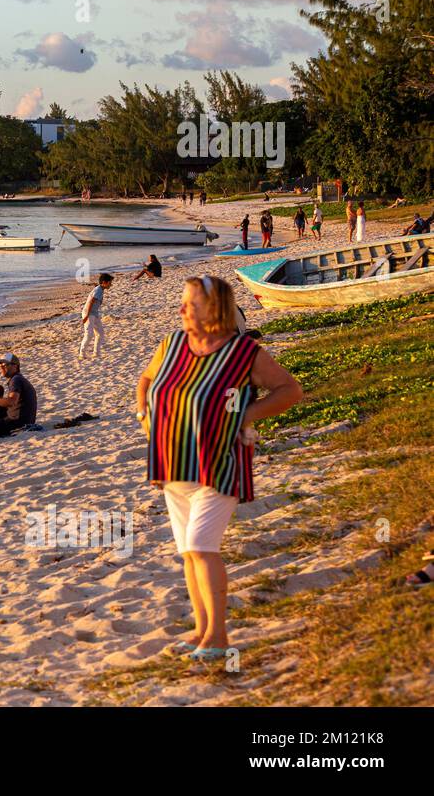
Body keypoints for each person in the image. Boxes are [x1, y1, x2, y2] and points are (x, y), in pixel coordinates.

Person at [136, 276, 302, 662]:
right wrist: (144, 412)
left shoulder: (244, 353)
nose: (181, 311)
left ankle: (220, 637)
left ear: (214, 310)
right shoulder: (171, 345)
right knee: (189, 554)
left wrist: (247, 414)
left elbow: (290, 391)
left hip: (219, 465)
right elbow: (145, 380)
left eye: (189, 304)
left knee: (201, 547)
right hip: (173, 463)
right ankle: (200, 628)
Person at [0, 353, 37, 437]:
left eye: (5, 365)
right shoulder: (18, 379)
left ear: (15, 366)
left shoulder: (16, 380)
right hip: (23, 420)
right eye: (0, 365)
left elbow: (12, 401)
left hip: (17, 423)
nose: (1, 367)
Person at [79, 272, 113, 359]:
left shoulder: (100, 289)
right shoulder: (98, 290)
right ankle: (82, 354)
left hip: (94, 314)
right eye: (109, 283)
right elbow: (91, 302)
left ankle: (96, 353)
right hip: (89, 313)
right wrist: (86, 316)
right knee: (89, 334)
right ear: (104, 282)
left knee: (100, 333)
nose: (111, 285)